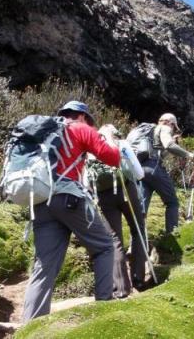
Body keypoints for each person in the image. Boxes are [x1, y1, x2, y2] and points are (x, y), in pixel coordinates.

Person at [22, 101, 120, 321]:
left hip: (40, 200)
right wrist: (110, 139)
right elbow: (113, 158)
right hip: (68, 198)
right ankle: (104, 312)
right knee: (104, 247)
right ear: (83, 116)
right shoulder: (80, 128)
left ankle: (30, 325)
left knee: (44, 266)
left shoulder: (46, 133)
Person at [87, 125, 147, 297]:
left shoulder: (91, 150)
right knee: (138, 229)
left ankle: (121, 288)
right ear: (114, 134)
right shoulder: (121, 144)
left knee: (114, 239)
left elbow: (86, 181)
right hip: (126, 189)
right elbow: (139, 173)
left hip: (104, 196)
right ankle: (138, 277)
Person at [141, 113, 194, 233]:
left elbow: (159, 151)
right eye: (174, 128)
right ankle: (172, 235)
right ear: (171, 123)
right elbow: (169, 145)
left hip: (140, 169)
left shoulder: (149, 131)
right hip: (154, 169)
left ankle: (135, 245)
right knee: (172, 203)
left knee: (141, 208)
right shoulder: (165, 128)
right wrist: (191, 155)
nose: (173, 130)